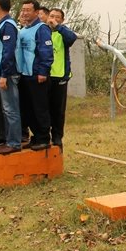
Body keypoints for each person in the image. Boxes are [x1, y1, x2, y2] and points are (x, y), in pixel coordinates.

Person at [17, 0, 54, 151]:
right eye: (23, 10)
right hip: (24, 75)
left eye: (28, 10)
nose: (25, 13)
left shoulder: (41, 28)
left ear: (37, 12)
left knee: (40, 108)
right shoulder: (23, 30)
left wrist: (43, 71)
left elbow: (46, 51)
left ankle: (44, 138)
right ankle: (35, 136)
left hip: (37, 75)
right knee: (28, 109)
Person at [0, 0, 23, 154]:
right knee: (6, 109)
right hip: (0, 71)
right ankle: (9, 140)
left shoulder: (8, 25)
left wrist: (4, 74)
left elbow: (8, 52)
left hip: (7, 73)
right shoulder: (2, 25)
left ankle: (14, 143)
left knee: (11, 109)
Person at [47, 8, 78, 150]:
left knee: (58, 109)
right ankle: (44, 135)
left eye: (57, 17)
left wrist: (58, 27)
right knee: (43, 108)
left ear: (62, 20)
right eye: (51, 16)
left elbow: (72, 38)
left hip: (59, 76)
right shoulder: (43, 32)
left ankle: (57, 136)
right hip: (44, 75)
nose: (53, 19)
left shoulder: (63, 32)